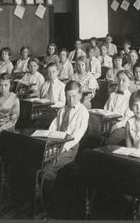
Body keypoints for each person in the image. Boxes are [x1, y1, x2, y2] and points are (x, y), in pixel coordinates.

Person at [42, 81, 89, 211]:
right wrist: (49, 144)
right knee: (38, 161)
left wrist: (61, 150)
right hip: (55, 144)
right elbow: (54, 127)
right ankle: (38, 196)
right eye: (68, 96)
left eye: (74, 96)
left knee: (47, 169)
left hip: (70, 147)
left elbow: (77, 135)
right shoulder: (62, 109)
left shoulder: (83, 112)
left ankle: (48, 203)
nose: (71, 99)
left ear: (80, 95)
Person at [104, 70, 135, 146]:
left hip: (123, 126)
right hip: (109, 123)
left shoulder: (131, 98)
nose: (120, 83)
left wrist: (115, 126)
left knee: (109, 142)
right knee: (96, 137)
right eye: (119, 80)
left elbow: (128, 119)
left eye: (124, 80)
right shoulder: (112, 95)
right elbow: (105, 111)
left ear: (130, 83)